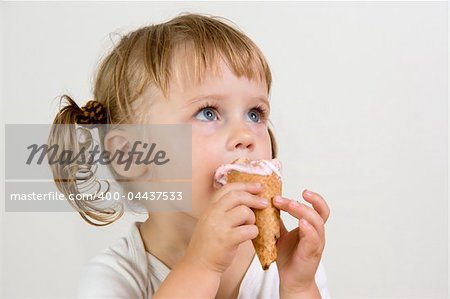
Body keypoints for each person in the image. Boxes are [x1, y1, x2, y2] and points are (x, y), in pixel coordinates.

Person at [49, 13, 331, 298]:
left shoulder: (285, 263)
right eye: (208, 112)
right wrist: (201, 266)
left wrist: (299, 287)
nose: (245, 136)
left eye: (255, 114)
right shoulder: (113, 279)